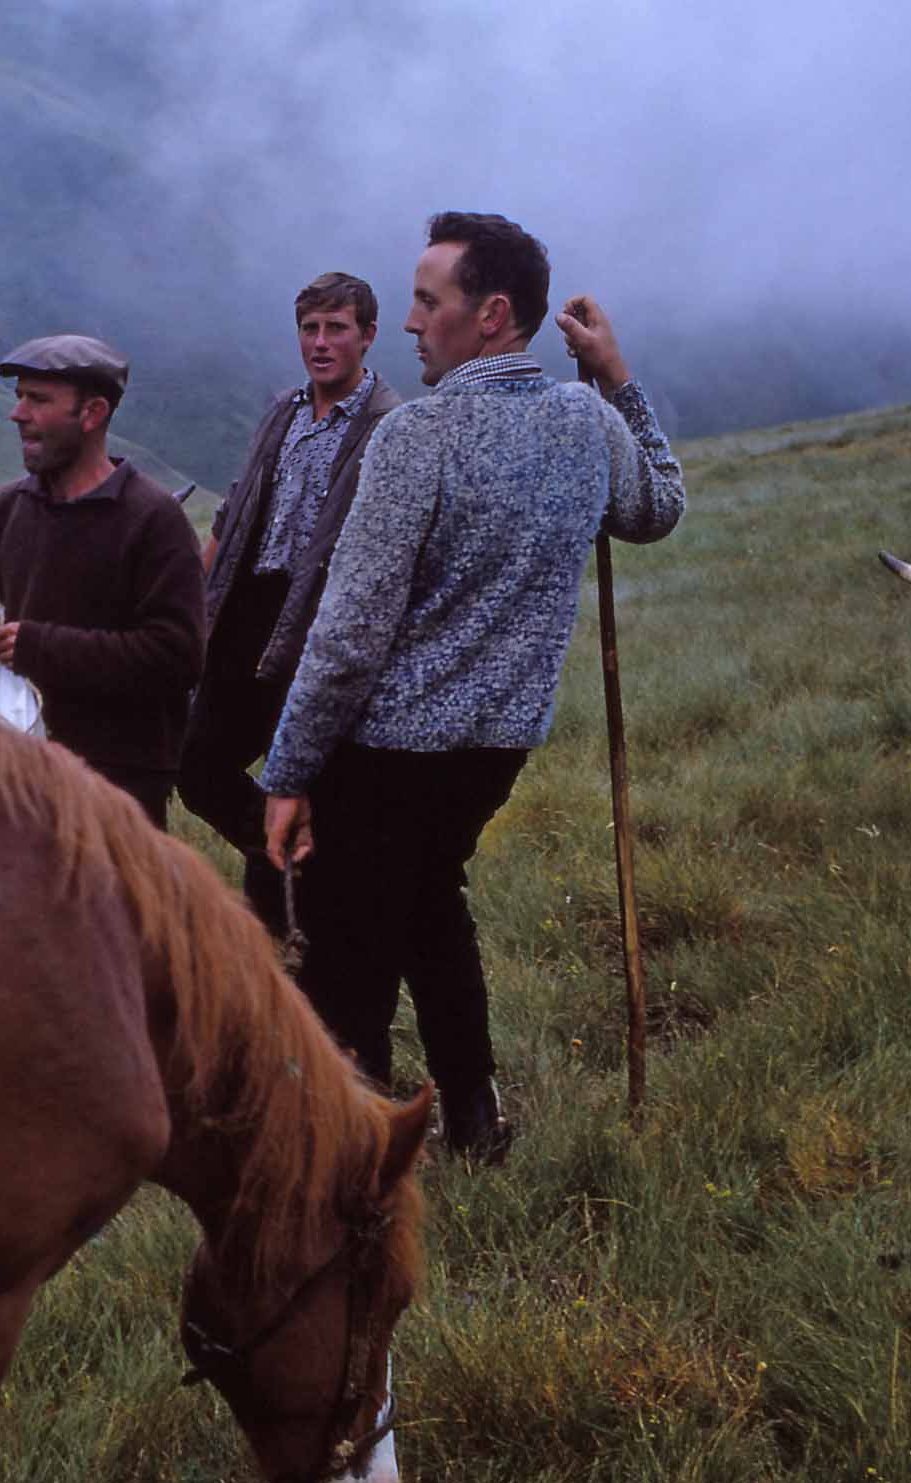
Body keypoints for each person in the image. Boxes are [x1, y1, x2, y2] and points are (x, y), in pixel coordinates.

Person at [259, 212, 686, 1155]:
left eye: (425, 301)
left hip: (384, 750)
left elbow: (350, 632)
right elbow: (658, 504)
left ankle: (349, 1153)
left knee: (347, 954)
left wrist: (288, 771)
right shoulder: (585, 421)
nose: (410, 322)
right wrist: (616, 378)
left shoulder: (417, 436)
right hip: (496, 747)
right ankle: (476, 1122)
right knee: (429, 905)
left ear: (491, 314)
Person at [178, 272, 404, 932]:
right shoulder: (283, 410)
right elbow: (235, 506)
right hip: (248, 610)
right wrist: (196, 590)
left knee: (293, 770)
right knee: (197, 765)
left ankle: (284, 923)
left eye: (337, 328)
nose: (321, 342)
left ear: (367, 335)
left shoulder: (387, 425)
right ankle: (284, 854)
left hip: (317, 623)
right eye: (310, 328)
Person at [0, 333, 205, 826]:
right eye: (19, 398)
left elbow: (177, 655)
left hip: (116, 787)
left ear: (93, 414)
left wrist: (43, 647)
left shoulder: (152, 519)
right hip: (14, 773)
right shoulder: (6, 511)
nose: (18, 414)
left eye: (38, 400)